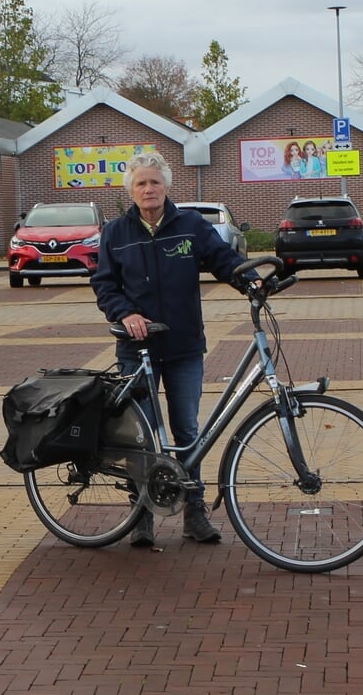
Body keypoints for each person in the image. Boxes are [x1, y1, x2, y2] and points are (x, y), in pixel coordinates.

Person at [91, 151, 250, 547]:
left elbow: (223, 261)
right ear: (131, 190)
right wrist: (125, 313)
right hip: (136, 348)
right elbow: (104, 284)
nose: (149, 189)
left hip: (183, 346)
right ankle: (141, 514)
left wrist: (252, 283)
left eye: (155, 182)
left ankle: (194, 514)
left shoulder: (191, 225)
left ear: (167, 187)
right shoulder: (116, 232)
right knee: (139, 436)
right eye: (141, 183)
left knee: (187, 431)